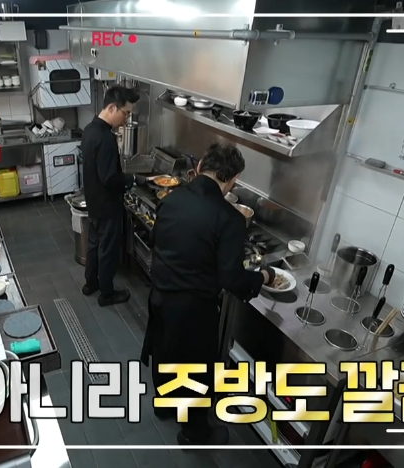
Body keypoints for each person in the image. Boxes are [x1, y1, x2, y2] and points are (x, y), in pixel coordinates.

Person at [140, 142, 276, 446]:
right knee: (194, 371)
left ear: (200, 166)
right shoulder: (229, 218)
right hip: (194, 310)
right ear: (233, 179)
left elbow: (157, 238)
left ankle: (164, 406)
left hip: (160, 296)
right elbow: (231, 278)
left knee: (164, 353)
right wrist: (263, 277)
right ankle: (194, 432)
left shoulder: (172, 198)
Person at [81, 85, 144, 307]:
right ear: (112, 108)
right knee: (107, 249)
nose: (126, 119)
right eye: (125, 113)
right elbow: (109, 178)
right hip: (107, 205)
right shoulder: (106, 138)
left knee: (93, 244)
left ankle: (90, 283)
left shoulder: (89, 130)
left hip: (93, 200)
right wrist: (132, 178)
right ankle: (107, 294)